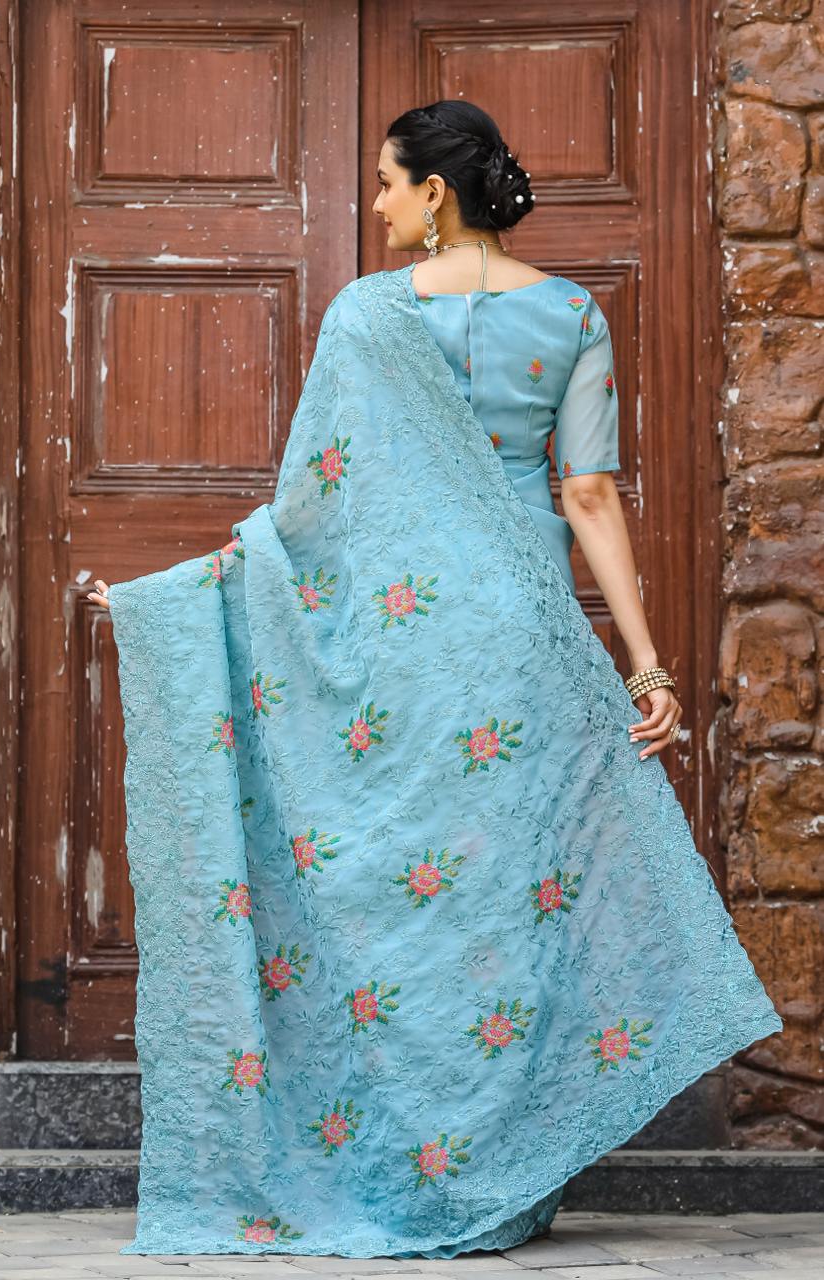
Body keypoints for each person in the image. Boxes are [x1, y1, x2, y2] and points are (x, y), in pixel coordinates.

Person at [87, 101, 782, 1261]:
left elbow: (309, 516)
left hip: (400, 643)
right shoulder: (571, 314)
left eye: (385, 182)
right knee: (502, 905)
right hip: (519, 640)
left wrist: (175, 597)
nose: (375, 205)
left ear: (434, 193)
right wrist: (645, 664)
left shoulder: (367, 316)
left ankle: (417, 1171)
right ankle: (496, 1182)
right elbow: (588, 494)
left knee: (403, 899)